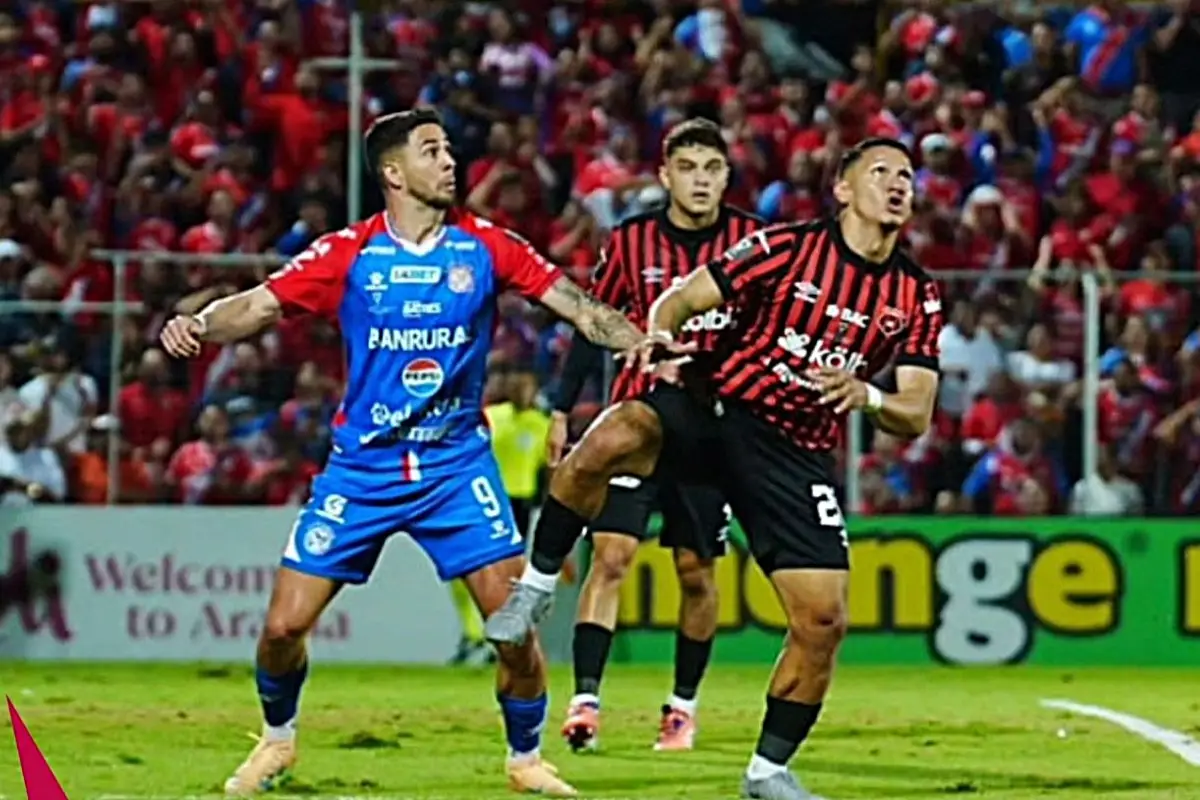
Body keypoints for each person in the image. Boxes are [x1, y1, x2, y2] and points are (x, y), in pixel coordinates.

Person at [159, 108, 666, 798]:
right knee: (282, 628)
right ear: (394, 173)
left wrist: (637, 339)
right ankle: (277, 742)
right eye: (433, 151)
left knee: (513, 631)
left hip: (455, 469)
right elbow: (261, 304)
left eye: (450, 149)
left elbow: (578, 306)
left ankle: (525, 759)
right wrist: (198, 323)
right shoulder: (350, 252)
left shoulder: (486, 246)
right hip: (362, 470)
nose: (451, 161)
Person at [486, 137, 944, 800]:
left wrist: (866, 395)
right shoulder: (785, 247)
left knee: (823, 622)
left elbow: (917, 410)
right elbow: (681, 296)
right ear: (842, 189)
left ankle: (767, 771)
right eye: (881, 172)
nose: (898, 184)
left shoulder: (916, 293)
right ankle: (532, 588)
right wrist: (663, 331)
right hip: (717, 407)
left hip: (794, 450)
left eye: (907, 176)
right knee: (614, 432)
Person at [547, 118, 762, 753]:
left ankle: (682, 708)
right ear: (665, 176)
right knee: (610, 557)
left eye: (712, 168)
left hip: (709, 432)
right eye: (688, 168)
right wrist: (564, 408)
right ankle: (585, 701)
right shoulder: (633, 240)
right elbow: (594, 322)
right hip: (638, 423)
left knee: (696, 573)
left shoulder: (753, 243)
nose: (700, 180)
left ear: (726, 177)